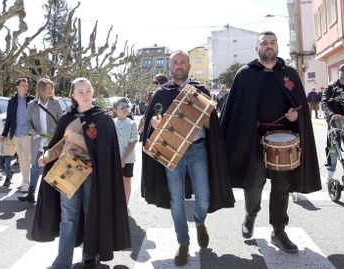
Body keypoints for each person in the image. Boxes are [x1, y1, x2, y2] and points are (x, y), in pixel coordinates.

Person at [220, 31, 321, 253]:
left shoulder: (290, 73)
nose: (269, 46)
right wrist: (248, 122)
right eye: (264, 43)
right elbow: (234, 109)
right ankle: (251, 214)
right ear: (257, 47)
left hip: (283, 139)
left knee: (282, 186)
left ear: (277, 47)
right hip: (253, 139)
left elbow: (299, 106)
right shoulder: (244, 74)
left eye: (273, 42)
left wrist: (296, 117)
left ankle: (278, 230)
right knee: (254, 183)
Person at [141, 51, 235, 266]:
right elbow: (151, 124)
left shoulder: (200, 91)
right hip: (171, 152)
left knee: (204, 198)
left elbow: (213, 125)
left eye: (183, 62)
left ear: (189, 66)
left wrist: (205, 118)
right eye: (175, 62)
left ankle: (200, 222)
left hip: (198, 150)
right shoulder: (160, 94)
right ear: (170, 67)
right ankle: (183, 243)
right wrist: (155, 125)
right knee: (176, 200)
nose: (179, 65)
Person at [31, 78, 130, 269]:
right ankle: (62, 263)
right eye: (80, 91)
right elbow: (59, 146)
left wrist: (76, 137)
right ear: (73, 95)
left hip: (92, 174)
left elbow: (102, 149)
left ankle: (90, 256)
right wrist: (46, 156)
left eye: (88, 90)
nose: (85, 95)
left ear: (93, 92)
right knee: (68, 217)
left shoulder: (103, 119)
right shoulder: (66, 118)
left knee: (91, 213)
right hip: (67, 172)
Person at [18, 78, 63, 204]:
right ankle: (31, 194)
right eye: (48, 88)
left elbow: (61, 121)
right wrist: (30, 129)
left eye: (52, 88)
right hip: (38, 141)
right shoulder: (32, 105)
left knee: (53, 168)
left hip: (53, 142)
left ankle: (54, 197)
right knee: (36, 168)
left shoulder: (56, 103)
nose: (51, 90)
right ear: (41, 89)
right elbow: (27, 122)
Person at [0, 78, 34, 193]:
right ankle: (25, 181)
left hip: (27, 134)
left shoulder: (32, 100)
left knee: (25, 157)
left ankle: (26, 182)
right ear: (18, 87)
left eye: (26, 85)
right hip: (16, 134)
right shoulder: (12, 101)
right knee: (21, 157)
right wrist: (4, 134)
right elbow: (9, 119)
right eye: (23, 85)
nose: (26, 87)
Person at [113, 97, 138, 205]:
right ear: (115, 110)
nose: (125, 108)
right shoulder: (111, 123)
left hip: (128, 159)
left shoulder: (132, 124)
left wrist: (124, 158)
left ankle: (125, 205)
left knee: (126, 181)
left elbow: (133, 142)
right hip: (114, 159)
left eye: (127, 106)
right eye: (122, 106)